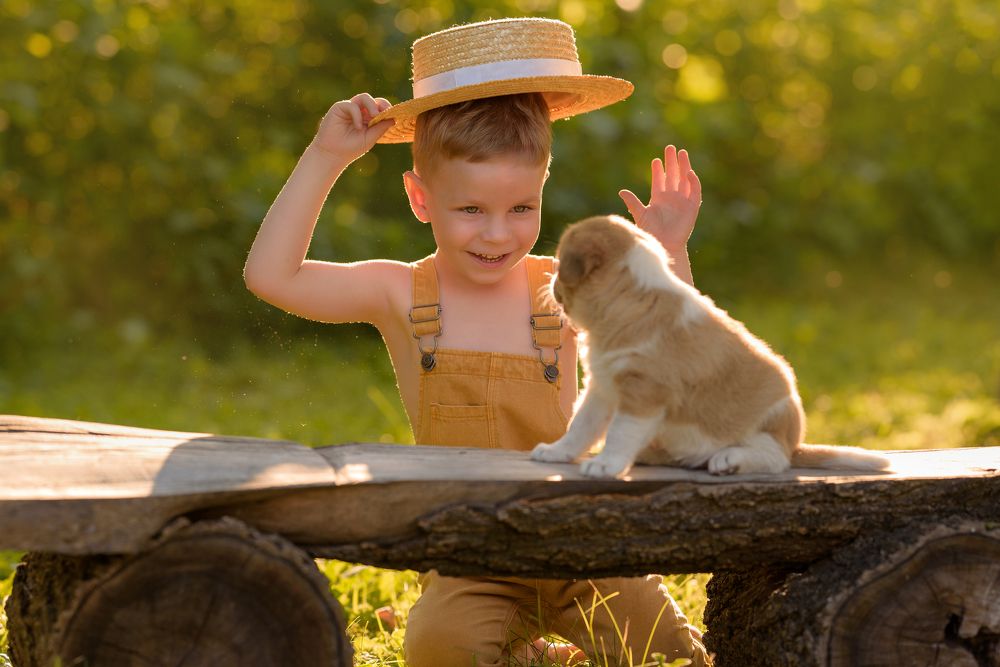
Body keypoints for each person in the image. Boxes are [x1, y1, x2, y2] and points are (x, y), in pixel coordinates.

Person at [245, 17, 709, 667]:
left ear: (543, 191)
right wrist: (327, 158)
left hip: (583, 545)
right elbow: (271, 276)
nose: (497, 233)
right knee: (440, 650)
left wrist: (672, 250)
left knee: (673, 656)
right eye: (471, 210)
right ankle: (523, 649)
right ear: (420, 197)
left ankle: (542, 652)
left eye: (521, 208)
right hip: (472, 556)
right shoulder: (402, 293)